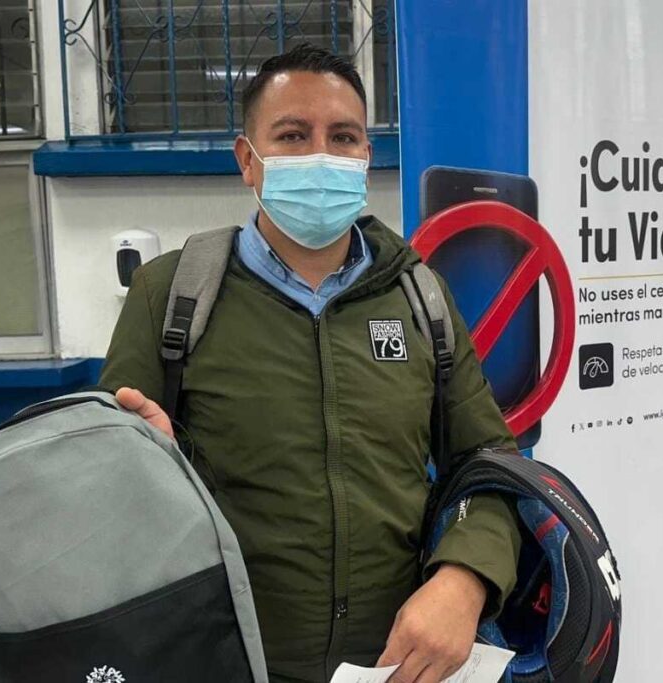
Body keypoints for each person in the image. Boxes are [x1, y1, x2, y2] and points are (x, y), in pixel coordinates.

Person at [101, 44, 521, 683]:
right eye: (293, 135)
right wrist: (147, 463)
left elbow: (488, 462)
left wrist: (465, 580)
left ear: (365, 157)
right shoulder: (172, 295)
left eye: (343, 137)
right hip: (229, 662)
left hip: (395, 662)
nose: (321, 155)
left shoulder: (420, 295)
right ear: (248, 160)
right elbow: (102, 489)